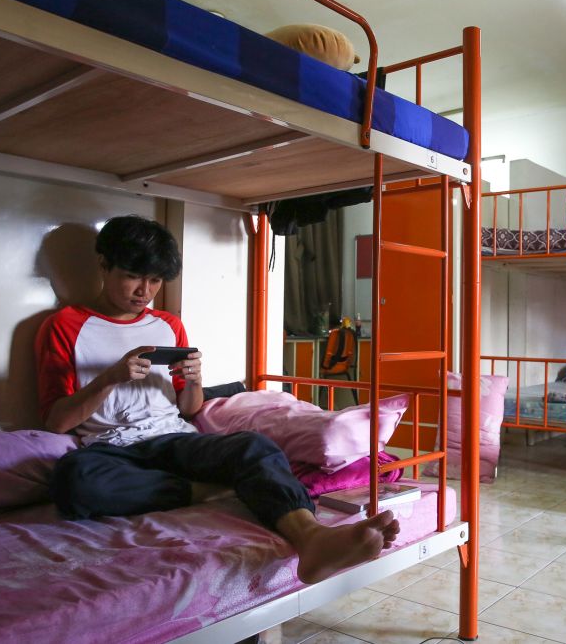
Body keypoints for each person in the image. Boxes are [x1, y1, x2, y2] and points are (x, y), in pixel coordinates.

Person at [36, 215, 398, 584]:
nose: (144, 290)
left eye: (156, 280)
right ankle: (210, 490)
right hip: (113, 447)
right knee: (73, 480)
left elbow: (190, 410)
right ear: (104, 264)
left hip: (174, 439)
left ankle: (314, 537)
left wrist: (194, 380)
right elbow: (56, 422)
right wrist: (110, 378)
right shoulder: (65, 325)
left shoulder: (167, 324)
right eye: (133, 275)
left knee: (254, 447)